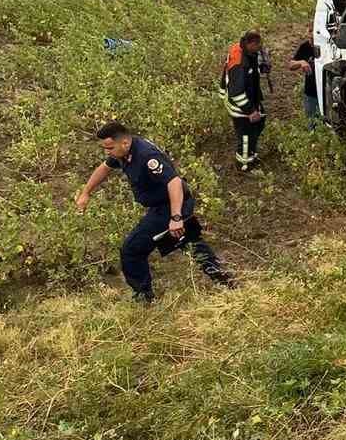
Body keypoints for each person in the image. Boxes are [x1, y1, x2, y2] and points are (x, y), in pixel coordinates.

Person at [76, 121, 232, 304]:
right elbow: (104, 167)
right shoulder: (122, 151)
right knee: (188, 242)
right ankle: (226, 283)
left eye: (109, 147)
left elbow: (173, 183)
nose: (107, 152)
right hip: (164, 206)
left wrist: (176, 218)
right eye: (105, 148)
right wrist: (86, 192)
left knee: (132, 249)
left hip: (171, 206)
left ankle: (144, 298)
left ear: (124, 143)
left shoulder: (147, 156)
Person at [220, 30, 266, 171]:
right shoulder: (240, 65)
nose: (260, 48)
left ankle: (251, 154)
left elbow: (253, 64)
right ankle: (244, 165)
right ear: (250, 43)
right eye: (258, 45)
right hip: (239, 106)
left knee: (258, 124)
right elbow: (237, 93)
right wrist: (250, 111)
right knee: (246, 135)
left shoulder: (241, 48)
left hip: (249, 97)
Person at [289, 34, 321, 124]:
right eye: (310, 31)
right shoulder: (305, 46)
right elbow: (291, 65)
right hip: (311, 94)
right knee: (312, 124)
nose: (311, 35)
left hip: (326, 93)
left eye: (313, 32)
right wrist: (301, 62)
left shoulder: (327, 45)